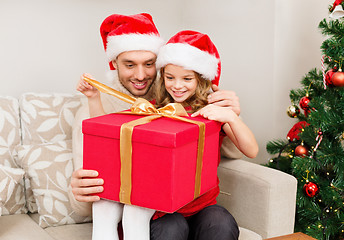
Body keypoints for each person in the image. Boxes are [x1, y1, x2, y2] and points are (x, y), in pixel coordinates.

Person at [68, 13, 244, 240]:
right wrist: (80, 190)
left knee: (220, 222)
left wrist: (231, 115)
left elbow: (235, 151)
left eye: (149, 64)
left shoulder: (174, 96)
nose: (140, 75)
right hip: (153, 211)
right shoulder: (94, 110)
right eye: (129, 64)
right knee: (166, 225)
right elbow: (90, 193)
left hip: (194, 203)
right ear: (114, 64)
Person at [150, 30, 259, 240]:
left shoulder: (213, 110)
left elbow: (252, 150)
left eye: (187, 78)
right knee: (171, 228)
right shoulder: (155, 109)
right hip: (163, 209)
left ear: (201, 79)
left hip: (202, 205)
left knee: (222, 223)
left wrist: (231, 118)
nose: (177, 85)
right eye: (170, 77)